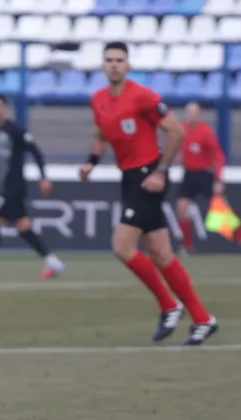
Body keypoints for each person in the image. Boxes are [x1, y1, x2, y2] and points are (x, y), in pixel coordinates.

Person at [81, 42, 218, 346]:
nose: (114, 65)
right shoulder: (98, 100)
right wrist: (91, 162)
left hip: (148, 176)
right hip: (129, 178)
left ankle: (170, 306)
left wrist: (161, 171)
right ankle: (203, 319)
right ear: (102, 66)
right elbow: (101, 134)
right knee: (160, 252)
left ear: (128, 66)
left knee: (122, 247)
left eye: (120, 60)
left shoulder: (143, 96)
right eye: (109, 60)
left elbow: (176, 131)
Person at [0, 94, 65, 280]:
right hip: (3, 184)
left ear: (4, 109)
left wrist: (44, 177)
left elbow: (36, 152)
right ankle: (53, 262)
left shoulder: (16, 131)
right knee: (23, 227)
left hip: (15, 185)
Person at [176, 102, 226, 254]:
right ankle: (187, 246)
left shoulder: (206, 132)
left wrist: (218, 179)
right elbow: (179, 148)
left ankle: (235, 238)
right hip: (189, 174)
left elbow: (218, 155)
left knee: (222, 207)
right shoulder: (182, 130)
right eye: (189, 113)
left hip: (204, 174)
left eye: (194, 113)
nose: (191, 116)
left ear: (199, 115)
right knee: (181, 208)